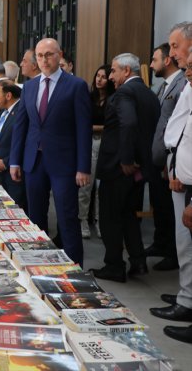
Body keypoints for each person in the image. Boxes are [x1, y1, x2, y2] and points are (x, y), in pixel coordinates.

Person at [10, 38, 92, 266]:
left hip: (64, 164)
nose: (44, 60)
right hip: (34, 162)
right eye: (40, 55)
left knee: (67, 219)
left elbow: (83, 129)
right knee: (35, 218)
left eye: (49, 54)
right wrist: (15, 161)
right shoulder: (29, 87)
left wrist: (83, 167)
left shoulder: (76, 86)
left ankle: (75, 270)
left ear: (60, 55)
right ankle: (39, 265)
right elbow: (21, 126)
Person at [90, 53, 160, 283]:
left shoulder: (124, 93)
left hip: (119, 168)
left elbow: (128, 124)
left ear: (126, 71)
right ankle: (138, 262)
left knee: (110, 218)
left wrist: (126, 159)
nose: (110, 76)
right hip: (139, 170)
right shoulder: (149, 94)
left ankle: (114, 266)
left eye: (113, 71)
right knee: (129, 216)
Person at [152, 39, 192, 335]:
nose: (174, 53)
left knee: (187, 243)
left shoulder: (183, 81)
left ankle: (187, 300)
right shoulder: (185, 83)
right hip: (179, 171)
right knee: (183, 242)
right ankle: (186, 296)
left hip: (186, 176)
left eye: (177, 45)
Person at [147, 42, 186, 271]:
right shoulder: (164, 86)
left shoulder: (181, 83)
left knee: (172, 214)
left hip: (171, 158)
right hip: (160, 157)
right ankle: (161, 244)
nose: (152, 65)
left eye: (155, 60)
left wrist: (170, 160)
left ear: (167, 60)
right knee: (161, 207)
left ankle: (171, 254)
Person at [77, 65, 115, 239]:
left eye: (104, 76)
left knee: (102, 188)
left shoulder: (113, 99)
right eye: (97, 76)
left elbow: (114, 126)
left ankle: (100, 221)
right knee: (86, 186)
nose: (99, 79)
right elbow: (82, 124)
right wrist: (100, 128)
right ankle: (83, 220)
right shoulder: (88, 97)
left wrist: (95, 128)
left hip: (107, 145)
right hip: (90, 144)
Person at [0, 80, 26, 210]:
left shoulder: (21, 112)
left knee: (16, 210)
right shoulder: (1, 113)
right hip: (0, 172)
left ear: (8, 96)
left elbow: (23, 142)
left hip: (14, 174)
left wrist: (6, 162)